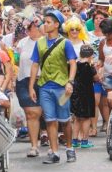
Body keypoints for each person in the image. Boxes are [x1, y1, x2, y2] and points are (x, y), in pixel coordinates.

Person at [29, 10, 77, 164]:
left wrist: (70, 81)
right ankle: (55, 152)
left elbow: (73, 63)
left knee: (65, 119)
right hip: (44, 87)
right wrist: (31, 87)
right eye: (45, 21)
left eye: (49, 22)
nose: (45, 24)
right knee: (49, 120)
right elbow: (35, 64)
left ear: (57, 25)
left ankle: (70, 148)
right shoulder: (39, 43)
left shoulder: (65, 43)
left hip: (62, 88)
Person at [16, 14, 44, 157]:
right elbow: (16, 60)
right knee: (32, 113)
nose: (28, 29)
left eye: (31, 26)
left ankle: (49, 140)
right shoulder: (22, 43)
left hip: (45, 81)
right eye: (27, 27)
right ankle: (34, 145)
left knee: (43, 113)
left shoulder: (48, 42)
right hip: (24, 81)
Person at [71, 45, 99, 149]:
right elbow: (96, 79)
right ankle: (84, 140)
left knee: (77, 118)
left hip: (76, 93)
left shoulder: (76, 65)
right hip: (87, 94)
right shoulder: (90, 67)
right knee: (86, 118)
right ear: (91, 55)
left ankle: (74, 140)